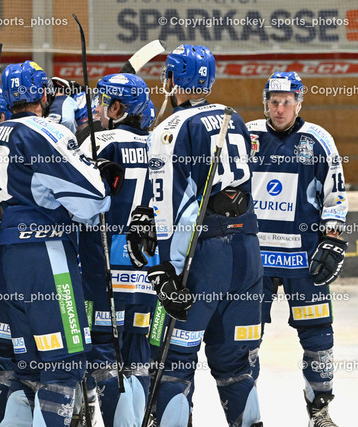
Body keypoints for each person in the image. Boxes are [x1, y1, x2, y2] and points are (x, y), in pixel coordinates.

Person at [0, 60, 121, 426]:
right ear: (42, 94)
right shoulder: (47, 131)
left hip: (8, 262)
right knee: (63, 365)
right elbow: (92, 201)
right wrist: (97, 175)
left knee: (30, 369)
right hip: (47, 259)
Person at [145, 45, 263, 427]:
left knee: (172, 363)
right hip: (247, 251)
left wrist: (166, 268)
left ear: (173, 78)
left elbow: (170, 205)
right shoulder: (234, 116)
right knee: (236, 365)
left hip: (203, 257)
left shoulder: (171, 128)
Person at [247, 71, 348, 427]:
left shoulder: (318, 139)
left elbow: (335, 194)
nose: (280, 109)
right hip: (254, 259)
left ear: (299, 103)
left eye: (287, 102)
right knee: (244, 340)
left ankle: (319, 411)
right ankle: (246, 415)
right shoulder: (247, 135)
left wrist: (332, 238)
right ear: (265, 103)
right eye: (274, 102)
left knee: (319, 337)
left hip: (304, 259)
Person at [78, 73, 156, 426]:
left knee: (103, 351)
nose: (97, 109)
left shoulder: (100, 142)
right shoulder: (159, 144)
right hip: (146, 264)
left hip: (104, 262)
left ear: (116, 108)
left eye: (102, 103)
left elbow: (78, 200)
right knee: (137, 352)